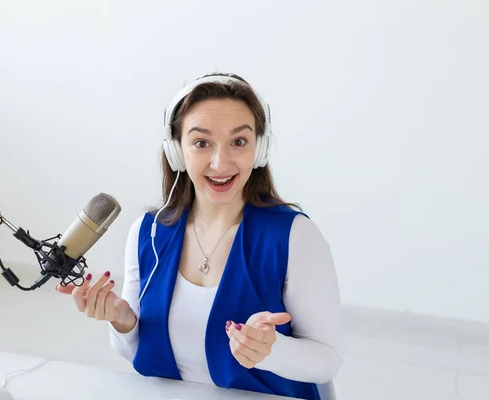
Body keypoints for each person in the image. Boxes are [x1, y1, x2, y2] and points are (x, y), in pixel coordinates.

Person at [56, 73, 345, 399]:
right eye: (201, 143)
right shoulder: (149, 232)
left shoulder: (294, 236)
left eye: (239, 142)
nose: (220, 163)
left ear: (259, 149)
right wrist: (123, 320)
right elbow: (132, 349)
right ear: (176, 151)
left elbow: (327, 359)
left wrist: (272, 349)